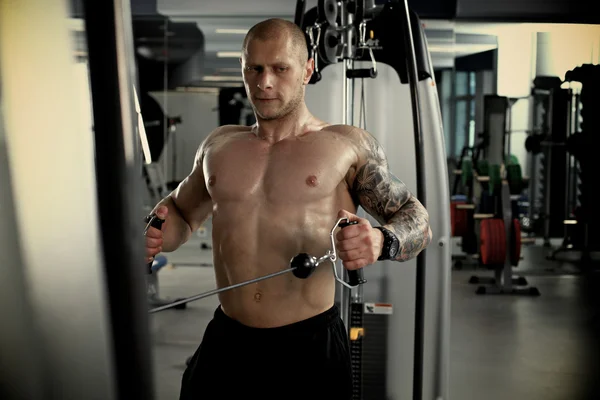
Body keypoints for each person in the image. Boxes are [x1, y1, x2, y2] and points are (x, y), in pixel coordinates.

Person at [144, 18, 432, 400]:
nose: (264, 82)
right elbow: (181, 213)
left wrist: (382, 241)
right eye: (254, 68)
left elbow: (417, 222)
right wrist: (156, 234)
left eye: (280, 68)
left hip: (309, 347)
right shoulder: (219, 146)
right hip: (228, 341)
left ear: (307, 69)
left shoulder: (345, 145)